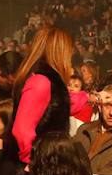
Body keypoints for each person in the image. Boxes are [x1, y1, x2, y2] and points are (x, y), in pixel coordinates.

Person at [10, 26, 74, 165]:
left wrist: (94, 99)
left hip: (47, 164)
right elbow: (21, 131)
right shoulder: (41, 81)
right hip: (39, 168)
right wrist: (33, 163)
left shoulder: (47, 79)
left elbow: (58, 105)